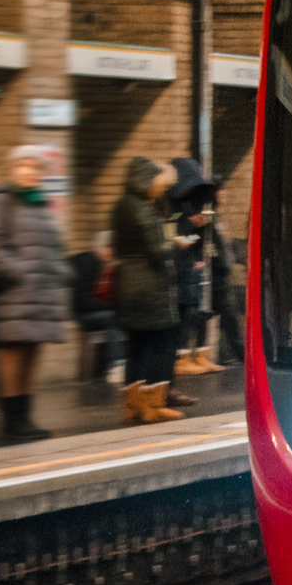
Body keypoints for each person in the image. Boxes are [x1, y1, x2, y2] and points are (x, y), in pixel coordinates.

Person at [0, 144, 69, 441]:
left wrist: (60, 271)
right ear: (13, 170)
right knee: (12, 358)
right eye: (22, 166)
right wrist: (15, 269)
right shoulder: (2, 200)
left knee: (31, 356)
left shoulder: (39, 203)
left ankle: (25, 419)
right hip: (13, 295)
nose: (28, 172)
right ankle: (11, 423)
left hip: (40, 295)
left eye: (34, 167)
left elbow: (53, 246)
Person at [112, 158, 184, 424]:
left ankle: (132, 406)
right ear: (146, 181)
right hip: (150, 290)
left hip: (128, 286)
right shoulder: (143, 210)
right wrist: (176, 243)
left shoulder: (120, 206)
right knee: (157, 347)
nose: (159, 188)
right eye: (157, 183)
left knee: (136, 349)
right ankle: (153, 406)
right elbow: (157, 251)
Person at [168, 157, 223, 377]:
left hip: (193, 264)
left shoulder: (193, 204)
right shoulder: (174, 207)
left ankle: (199, 355)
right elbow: (173, 233)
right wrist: (190, 226)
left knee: (199, 311)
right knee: (187, 310)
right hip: (180, 266)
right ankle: (181, 357)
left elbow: (195, 236)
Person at [70, 232, 118, 383]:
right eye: (111, 249)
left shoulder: (107, 266)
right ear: (102, 248)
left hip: (101, 311)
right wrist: (111, 305)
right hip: (84, 314)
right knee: (114, 318)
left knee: (123, 318)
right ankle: (116, 365)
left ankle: (101, 371)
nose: (113, 254)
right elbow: (83, 301)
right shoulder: (87, 263)